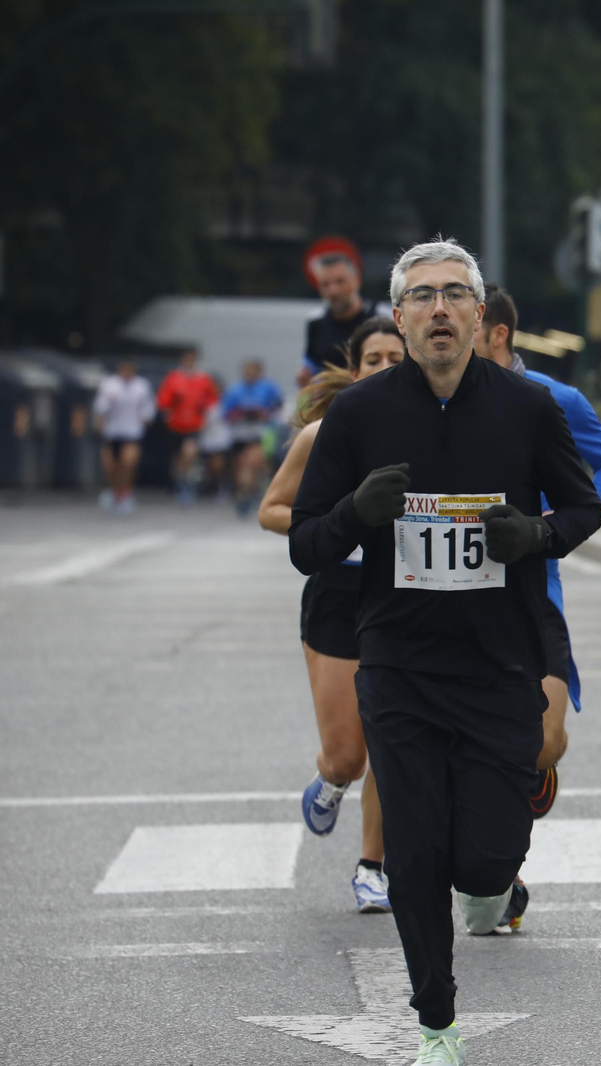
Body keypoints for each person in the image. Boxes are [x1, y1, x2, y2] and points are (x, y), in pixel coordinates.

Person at [289, 238, 601, 1066]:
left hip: (501, 663)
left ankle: (492, 884)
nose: (439, 309)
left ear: (479, 313)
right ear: (398, 317)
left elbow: (584, 509)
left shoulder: (528, 407)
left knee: (485, 863)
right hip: (398, 664)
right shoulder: (358, 416)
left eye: (454, 294)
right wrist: (356, 512)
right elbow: (305, 544)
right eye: (422, 296)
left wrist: (534, 534)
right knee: (416, 851)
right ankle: (436, 1023)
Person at [259, 317, 405, 913]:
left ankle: (373, 866)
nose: (386, 368)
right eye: (374, 359)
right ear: (354, 369)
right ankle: (330, 779)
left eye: (397, 357)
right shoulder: (322, 436)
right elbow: (273, 509)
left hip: (404, 594)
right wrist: (339, 526)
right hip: (338, 594)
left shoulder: (434, 431)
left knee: (393, 742)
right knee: (349, 755)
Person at [473, 282, 601, 816]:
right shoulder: (436, 399)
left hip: (533, 575)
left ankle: (535, 767)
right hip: (456, 585)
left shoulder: (554, 398)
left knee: (542, 742)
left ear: (498, 333)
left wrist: (560, 523)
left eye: (469, 325)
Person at [302, 252, 380, 386]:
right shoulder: (315, 322)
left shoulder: (380, 317)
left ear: (356, 280)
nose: (334, 291)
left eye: (340, 281)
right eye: (325, 284)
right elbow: (309, 365)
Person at [220, 360, 285, 517]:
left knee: (250, 464)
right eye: (247, 370)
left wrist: (264, 413)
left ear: (259, 372)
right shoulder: (235, 389)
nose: (249, 373)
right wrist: (239, 413)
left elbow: (278, 407)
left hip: (259, 435)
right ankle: (245, 492)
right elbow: (225, 413)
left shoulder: (269, 388)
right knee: (239, 468)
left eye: (253, 370)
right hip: (239, 435)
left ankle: (247, 495)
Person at [156, 348, 220, 505]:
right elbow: (163, 401)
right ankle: (180, 482)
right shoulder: (173, 378)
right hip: (176, 425)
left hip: (194, 425)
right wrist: (169, 407)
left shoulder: (204, 379)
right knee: (178, 458)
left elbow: (213, 401)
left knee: (189, 453)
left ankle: (186, 484)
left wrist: (207, 415)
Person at [92, 359, 155, 515]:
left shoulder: (142, 386)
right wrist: (100, 419)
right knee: (111, 467)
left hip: (132, 432)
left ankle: (125, 492)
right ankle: (113, 491)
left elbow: (148, 408)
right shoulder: (109, 385)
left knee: (128, 462)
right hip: (112, 432)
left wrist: (146, 419)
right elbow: (100, 407)